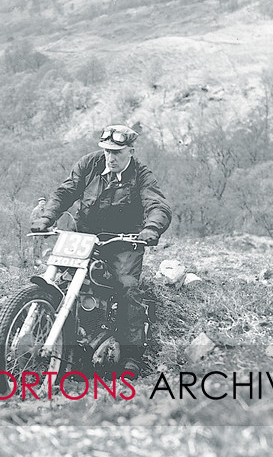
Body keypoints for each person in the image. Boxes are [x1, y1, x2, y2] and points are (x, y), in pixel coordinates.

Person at [29, 124, 172, 375]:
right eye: (107, 151)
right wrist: (47, 217)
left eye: (117, 152)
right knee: (61, 278)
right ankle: (48, 331)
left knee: (127, 286)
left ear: (131, 151)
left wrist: (151, 228)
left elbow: (158, 205)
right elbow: (66, 191)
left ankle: (131, 356)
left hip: (123, 242)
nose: (111, 157)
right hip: (85, 236)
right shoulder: (90, 164)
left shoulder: (142, 175)